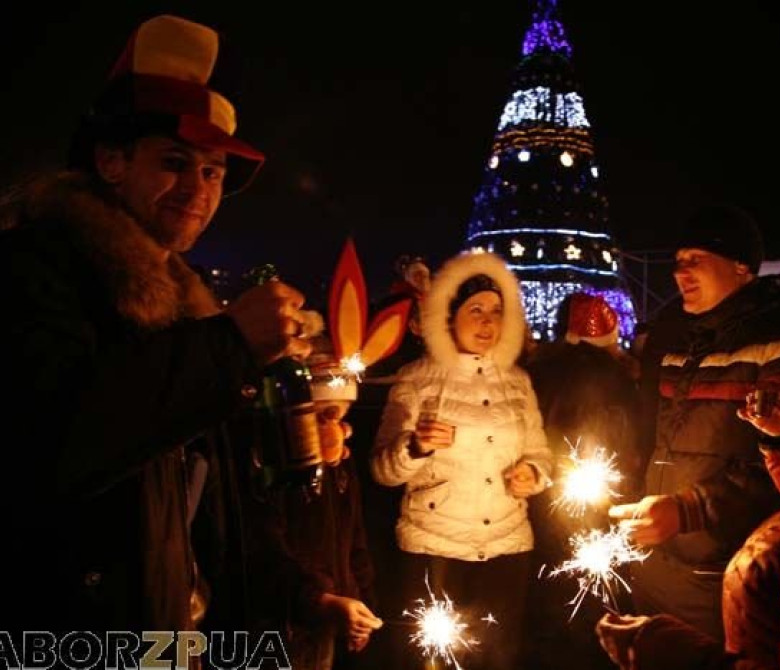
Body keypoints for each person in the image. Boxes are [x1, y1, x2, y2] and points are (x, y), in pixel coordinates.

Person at [0, 14, 311, 633]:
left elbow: (209, 501)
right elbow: (55, 439)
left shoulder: (186, 306)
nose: (198, 188)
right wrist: (229, 347)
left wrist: (302, 594)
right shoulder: (33, 268)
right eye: (175, 161)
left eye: (214, 172)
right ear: (112, 161)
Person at [596, 236, 780, 669]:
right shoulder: (681, 337)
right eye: (676, 260)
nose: (680, 273)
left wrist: (670, 654)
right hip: (669, 564)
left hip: (713, 572)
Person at [370, 251, 553, 670]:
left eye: (496, 311)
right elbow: (381, 470)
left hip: (507, 552)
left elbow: (541, 453)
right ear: (448, 317)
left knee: (497, 657)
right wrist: (414, 448)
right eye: (476, 310)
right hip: (435, 554)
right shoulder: (417, 379)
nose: (488, 322)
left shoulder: (519, 381)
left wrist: (535, 473)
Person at [521, 292, 642, 670]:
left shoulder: (541, 370)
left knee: (556, 593)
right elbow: (630, 439)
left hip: (550, 496)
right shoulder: (618, 375)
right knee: (595, 593)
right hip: (599, 498)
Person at [282, 337, 383, 670]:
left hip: (336, 621)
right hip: (290, 628)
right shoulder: (279, 472)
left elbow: (356, 543)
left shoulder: (342, 468)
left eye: (342, 417)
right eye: (324, 416)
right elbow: (268, 552)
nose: (342, 431)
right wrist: (317, 600)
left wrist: (363, 603)